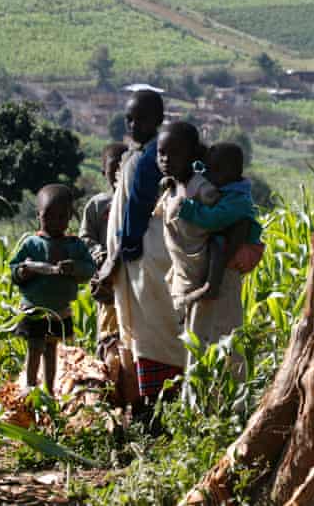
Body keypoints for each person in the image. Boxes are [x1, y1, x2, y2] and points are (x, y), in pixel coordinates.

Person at [156, 123, 263, 404]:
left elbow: (233, 224)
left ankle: (224, 414)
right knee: (197, 352)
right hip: (191, 283)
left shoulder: (203, 190)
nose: (166, 159)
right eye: (161, 153)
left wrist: (213, 280)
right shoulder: (172, 187)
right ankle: (200, 413)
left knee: (220, 349)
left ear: (193, 155)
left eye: (174, 153)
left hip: (213, 284)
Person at [101, 89, 183, 408]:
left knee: (154, 331)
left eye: (142, 119)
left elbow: (136, 210)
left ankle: (159, 403)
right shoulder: (141, 155)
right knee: (144, 331)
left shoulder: (153, 156)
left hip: (144, 258)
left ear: (159, 120)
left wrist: (116, 257)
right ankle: (150, 401)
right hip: (135, 261)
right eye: (129, 119)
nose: (134, 125)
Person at [10, 184, 95, 394]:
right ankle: (30, 387)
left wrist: (74, 268)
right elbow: (14, 270)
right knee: (35, 347)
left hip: (59, 310)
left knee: (51, 349)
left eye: (62, 217)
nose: (56, 222)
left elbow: (89, 269)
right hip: (35, 309)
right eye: (49, 216)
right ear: (39, 215)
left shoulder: (75, 246)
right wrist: (23, 271)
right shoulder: (31, 244)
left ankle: (49, 391)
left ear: (70, 217)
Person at [168, 141, 263, 314]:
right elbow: (199, 168)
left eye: (212, 170)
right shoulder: (222, 180)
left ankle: (212, 285)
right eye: (207, 169)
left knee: (217, 245)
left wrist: (187, 208)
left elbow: (213, 219)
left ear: (230, 172)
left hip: (246, 251)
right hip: (234, 242)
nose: (207, 175)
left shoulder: (238, 200)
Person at [79, 142, 128, 360]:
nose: (118, 174)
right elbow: (85, 237)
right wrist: (98, 252)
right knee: (109, 335)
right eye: (113, 169)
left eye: (123, 169)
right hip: (106, 280)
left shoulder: (140, 204)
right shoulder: (97, 205)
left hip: (132, 280)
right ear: (103, 172)